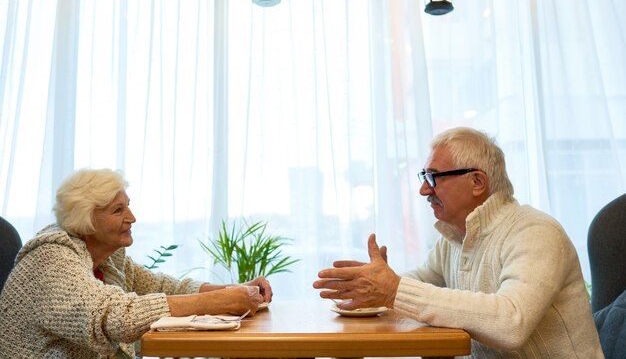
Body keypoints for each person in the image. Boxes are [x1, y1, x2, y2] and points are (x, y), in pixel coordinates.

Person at [313, 127, 604, 358]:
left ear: (477, 182)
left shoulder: (535, 231)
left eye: (433, 177)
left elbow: (511, 322)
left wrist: (393, 290)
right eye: (423, 176)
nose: (423, 189)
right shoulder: (454, 237)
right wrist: (378, 286)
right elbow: (419, 284)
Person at [0, 168, 272, 358]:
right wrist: (220, 302)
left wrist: (235, 290)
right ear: (86, 220)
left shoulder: (106, 256)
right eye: (118, 210)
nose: (132, 217)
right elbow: (117, 317)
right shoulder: (51, 258)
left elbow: (164, 287)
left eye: (127, 205)